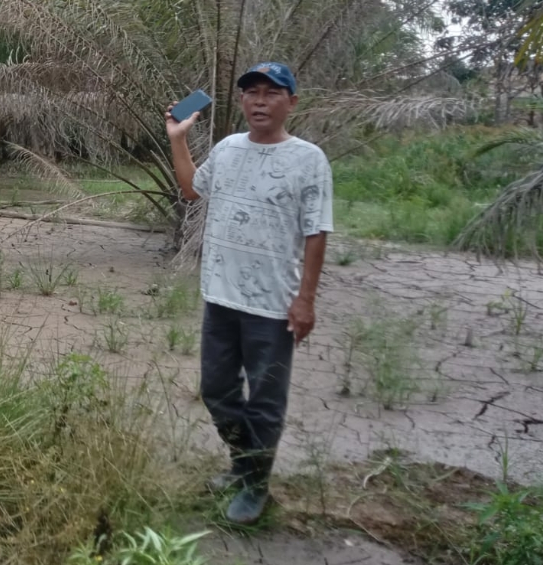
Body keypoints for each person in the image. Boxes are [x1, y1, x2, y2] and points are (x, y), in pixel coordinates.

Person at [165, 62, 333, 525]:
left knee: (264, 399)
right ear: (242, 101)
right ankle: (244, 464)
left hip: (272, 305)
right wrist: (178, 137)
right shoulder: (227, 149)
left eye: (271, 93)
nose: (259, 101)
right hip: (220, 297)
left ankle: (256, 484)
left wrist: (306, 299)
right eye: (251, 93)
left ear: (291, 102)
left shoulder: (308, 159)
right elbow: (191, 189)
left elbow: (316, 231)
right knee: (217, 391)